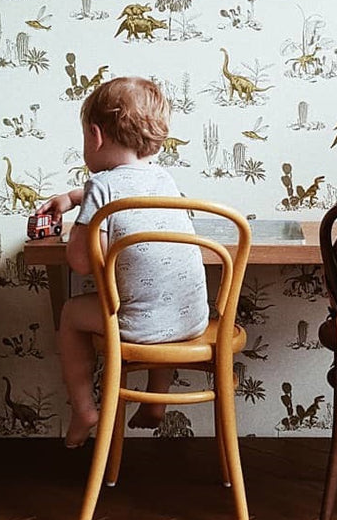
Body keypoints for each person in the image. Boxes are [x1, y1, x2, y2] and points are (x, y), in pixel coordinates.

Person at [36, 77, 208, 448]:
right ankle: (156, 399)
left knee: (70, 314)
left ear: (95, 136)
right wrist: (70, 197)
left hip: (138, 328)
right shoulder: (165, 180)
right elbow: (126, 191)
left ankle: (83, 408)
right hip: (192, 321)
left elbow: (82, 262)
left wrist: (80, 222)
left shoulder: (102, 187)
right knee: (160, 297)